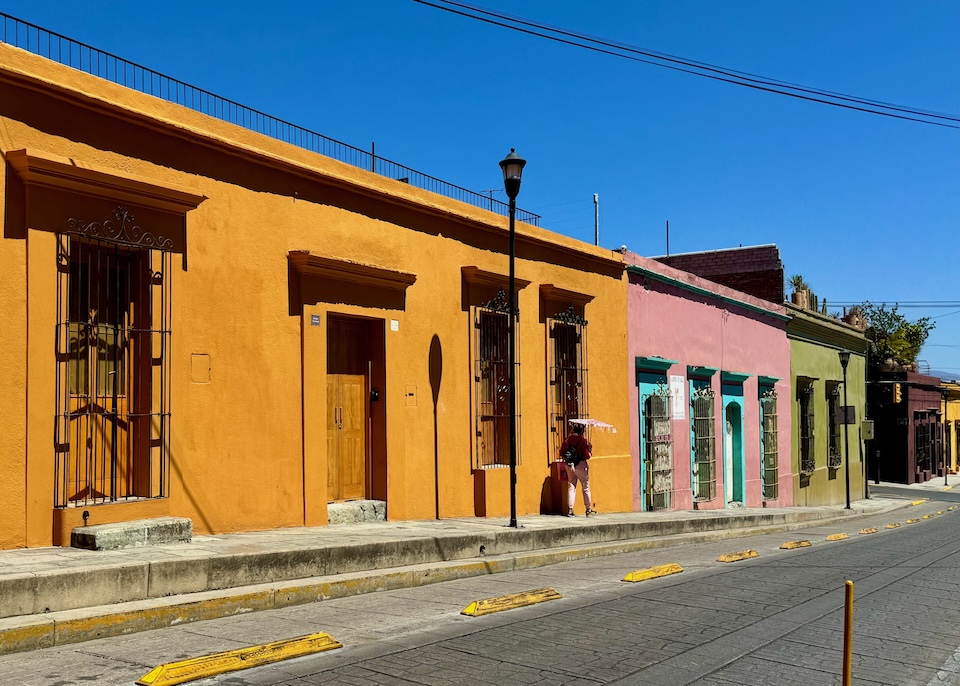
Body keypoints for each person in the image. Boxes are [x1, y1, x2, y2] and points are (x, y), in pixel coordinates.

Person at [559, 423, 595, 516]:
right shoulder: (583, 441)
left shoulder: (567, 440)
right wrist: (589, 449)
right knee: (585, 486)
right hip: (581, 465)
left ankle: (570, 509)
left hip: (569, 465)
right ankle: (588, 509)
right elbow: (587, 455)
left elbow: (562, 452)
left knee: (571, 485)